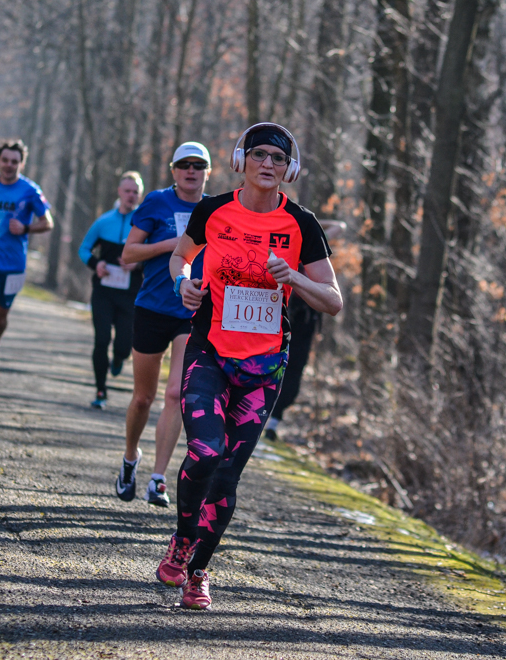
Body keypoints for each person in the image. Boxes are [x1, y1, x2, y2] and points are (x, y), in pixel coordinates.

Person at [158, 123, 342, 609]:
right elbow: (179, 259)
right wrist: (184, 284)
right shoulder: (213, 210)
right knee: (204, 452)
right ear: (241, 160)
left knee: (227, 475)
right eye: (258, 154)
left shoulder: (302, 225)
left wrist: (296, 278)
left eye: (277, 159)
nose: (267, 164)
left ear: (289, 169)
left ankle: (198, 572)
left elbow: (334, 301)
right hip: (209, 350)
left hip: (264, 368)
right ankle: (181, 539)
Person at [115, 142, 212, 507]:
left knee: (176, 394)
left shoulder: (215, 210)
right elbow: (128, 254)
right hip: (153, 307)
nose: (191, 171)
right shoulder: (156, 202)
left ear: (207, 172)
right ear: (173, 171)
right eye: (184, 165)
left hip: (192, 310)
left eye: (198, 165)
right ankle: (130, 458)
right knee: (143, 397)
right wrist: (173, 245)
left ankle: (157, 479)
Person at [0, 139, 53, 390]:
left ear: (21, 163)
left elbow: (48, 222)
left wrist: (26, 227)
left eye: (14, 162)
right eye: (5, 160)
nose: (9, 165)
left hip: (14, 263)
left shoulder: (30, 190)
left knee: (0, 317)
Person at [263, 218, 346, 441]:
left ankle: (274, 419)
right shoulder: (281, 242)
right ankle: (261, 412)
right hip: (279, 309)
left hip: (307, 315)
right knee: (270, 360)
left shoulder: (312, 242)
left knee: (295, 366)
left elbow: (341, 226)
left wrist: (310, 220)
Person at [79, 172, 144, 408]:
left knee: (124, 344)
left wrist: (139, 263)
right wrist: (97, 264)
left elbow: (156, 255)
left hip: (130, 294)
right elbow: (84, 249)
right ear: (119, 192)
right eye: (127, 191)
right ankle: (100, 391)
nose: (131, 195)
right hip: (104, 292)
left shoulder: (145, 223)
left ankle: (119, 358)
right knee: (101, 339)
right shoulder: (104, 221)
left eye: (135, 192)